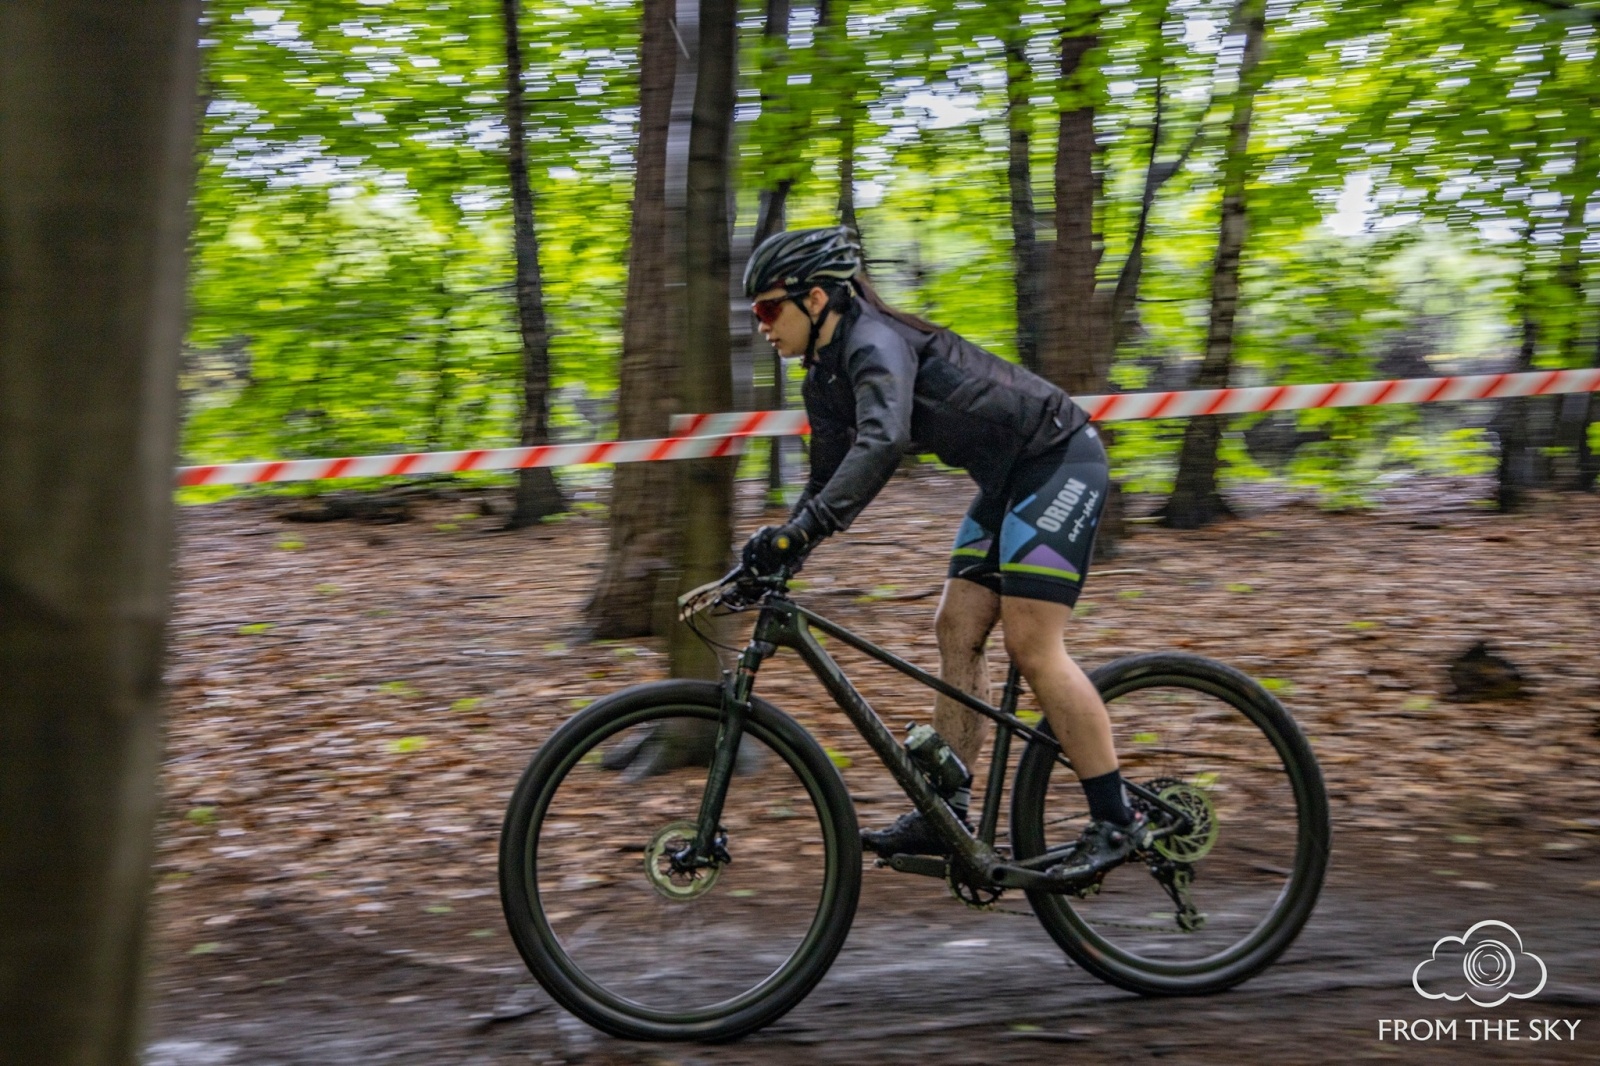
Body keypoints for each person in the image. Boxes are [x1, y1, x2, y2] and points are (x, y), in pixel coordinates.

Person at [738, 226, 1151, 883]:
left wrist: (803, 532)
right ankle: (946, 809)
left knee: (1032, 644)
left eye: (767, 308)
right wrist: (779, 552)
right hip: (1009, 478)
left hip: (1057, 458)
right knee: (956, 628)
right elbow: (827, 479)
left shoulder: (874, 342)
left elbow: (881, 442)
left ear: (815, 299)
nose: (761, 324)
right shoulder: (825, 374)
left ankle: (1118, 817)